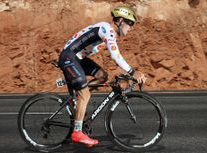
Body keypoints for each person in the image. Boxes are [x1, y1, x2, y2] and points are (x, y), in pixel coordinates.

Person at [58, 6, 147, 147]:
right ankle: (77, 132)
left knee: (102, 76)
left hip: (77, 58)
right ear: (121, 21)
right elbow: (115, 55)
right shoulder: (107, 30)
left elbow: (115, 56)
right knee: (85, 95)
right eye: (130, 23)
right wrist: (132, 72)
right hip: (69, 57)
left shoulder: (109, 31)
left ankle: (78, 97)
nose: (131, 28)